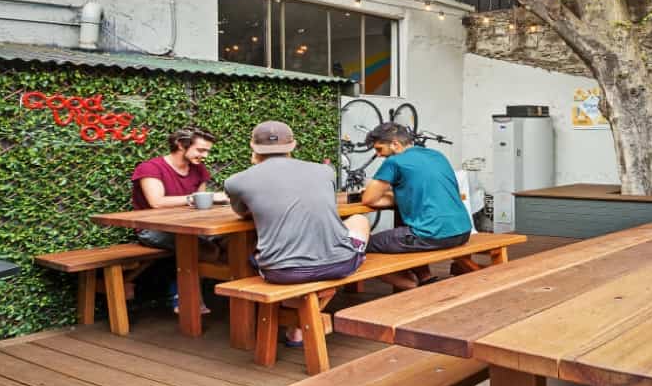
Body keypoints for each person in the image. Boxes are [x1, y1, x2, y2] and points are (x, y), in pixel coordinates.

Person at [224, 121, 372, 346]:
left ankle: (297, 323)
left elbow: (243, 213)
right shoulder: (325, 171)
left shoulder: (236, 181)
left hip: (281, 271)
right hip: (340, 264)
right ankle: (301, 323)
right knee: (359, 220)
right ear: (292, 145)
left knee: (257, 250)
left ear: (252, 147)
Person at [361, 122, 471, 289]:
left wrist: (385, 194)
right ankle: (426, 278)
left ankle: (408, 284)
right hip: (462, 231)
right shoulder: (436, 155)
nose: (378, 155)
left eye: (379, 149)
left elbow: (368, 199)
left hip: (433, 235)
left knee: (362, 244)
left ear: (395, 144)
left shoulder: (394, 162)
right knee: (407, 228)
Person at [131, 126, 225, 313]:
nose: (205, 155)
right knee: (203, 248)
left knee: (229, 242)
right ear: (181, 145)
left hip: (190, 227)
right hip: (153, 229)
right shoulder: (150, 168)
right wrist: (196, 198)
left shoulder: (198, 169)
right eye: (201, 150)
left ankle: (186, 295)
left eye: (207, 151)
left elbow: (200, 206)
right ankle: (185, 298)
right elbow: (157, 202)